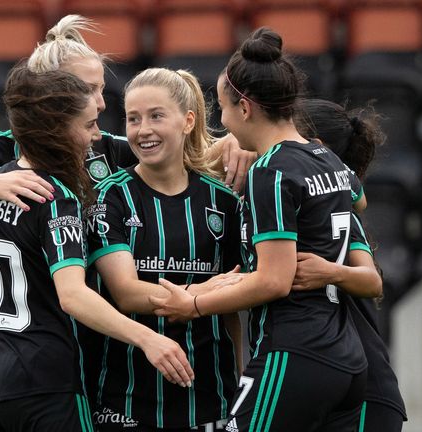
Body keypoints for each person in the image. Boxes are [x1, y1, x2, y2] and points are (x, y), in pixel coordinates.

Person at [0, 66, 194, 432]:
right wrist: (148, 338)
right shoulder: (56, 198)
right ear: (56, 130)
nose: (96, 136)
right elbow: (73, 297)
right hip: (42, 382)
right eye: (89, 125)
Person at [149, 28, 368, 431]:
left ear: (245, 108)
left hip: (295, 351)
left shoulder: (270, 170)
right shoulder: (326, 158)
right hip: (345, 355)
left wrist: (192, 305)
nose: (222, 119)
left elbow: (274, 282)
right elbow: (358, 199)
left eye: (223, 108)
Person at [0, 14, 255, 217]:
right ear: (50, 92)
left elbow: (188, 158)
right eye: (89, 90)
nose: (101, 104)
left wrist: (234, 144)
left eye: (101, 89)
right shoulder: (1, 149)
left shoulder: (105, 148)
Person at [85, 68, 243, 431]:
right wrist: (199, 294)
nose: (143, 130)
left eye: (156, 116)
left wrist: (238, 378)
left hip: (211, 396)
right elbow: (125, 293)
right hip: (126, 399)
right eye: (133, 119)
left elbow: (233, 303)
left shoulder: (222, 201)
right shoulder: (110, 195)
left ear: (188, 121)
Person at [294, 98, 407, 431]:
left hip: (365, 393)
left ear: (318, 149)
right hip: (328, 387)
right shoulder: (286, 196)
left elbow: (372, 281)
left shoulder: (336, 211)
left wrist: (329, 272)